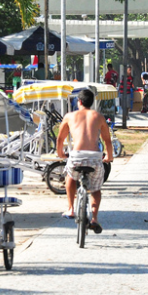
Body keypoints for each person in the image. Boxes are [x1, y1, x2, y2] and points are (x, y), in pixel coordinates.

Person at [56, 88, 115, 233]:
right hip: (95, 157)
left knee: (70, 176)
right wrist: (109, 157)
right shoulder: (99, 117)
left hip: (76, 156)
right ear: (92, 102)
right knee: (95, 189)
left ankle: (70, 209)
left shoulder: (70, 116)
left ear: (79, 101)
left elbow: (60, 138)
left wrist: (61, 154)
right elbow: (107, 140)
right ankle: (94, 218)